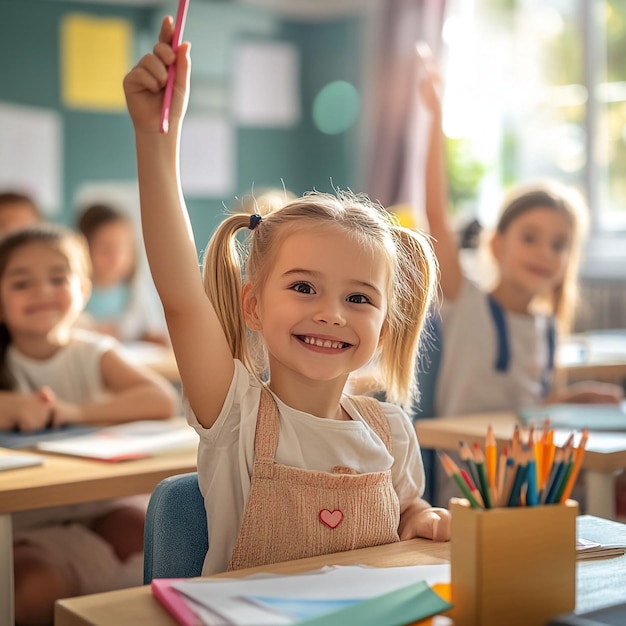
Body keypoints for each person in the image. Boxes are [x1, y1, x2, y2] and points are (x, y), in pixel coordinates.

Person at [123, 16, 451, 576]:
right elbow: (179, 294)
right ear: (253, 304)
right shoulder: (236, 413)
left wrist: (421, 516)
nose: (330, 313)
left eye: (360, 299)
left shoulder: (390, 430)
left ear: (386, 324)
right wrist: (158, 138)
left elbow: (404, 513)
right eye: (303, 288)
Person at [418, 50, 623, 504]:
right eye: (530, 237)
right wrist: (435, 114)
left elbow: (534, 408)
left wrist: (578, 399)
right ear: (497, 244)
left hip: (530, 483)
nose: (544, 253)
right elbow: (435, 210)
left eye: (559, 244)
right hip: (468, 489)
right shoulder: (464, 299)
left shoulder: (548, 327)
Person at [0, 223, 178, 625]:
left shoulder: (90, 351)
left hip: (94, 504)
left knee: (161, 538)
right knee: (33, 585)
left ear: (84, 289)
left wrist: (72, 412)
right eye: (22, 282)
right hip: (20, 520)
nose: (43, 291)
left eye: (59, 278)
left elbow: (159, 398)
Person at [76, 202, 169, 345]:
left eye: (123, 248)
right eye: (105, 249)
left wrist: (152, 338)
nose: (115, 258)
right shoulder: (73, 293)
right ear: (82, 248)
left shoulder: (137, 291)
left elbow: (151, 330)